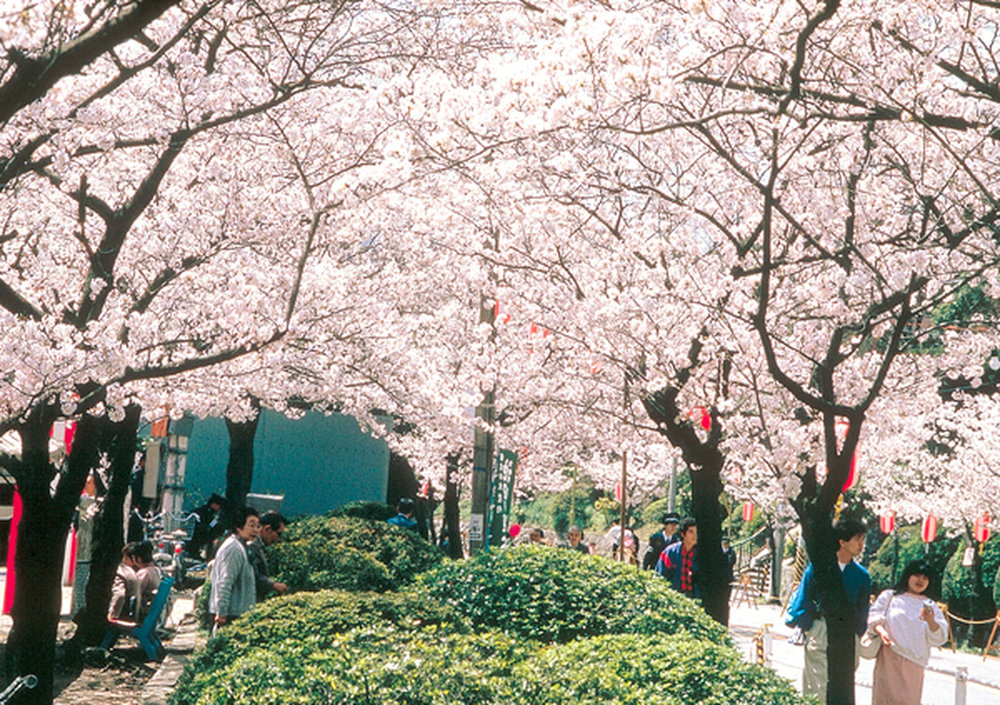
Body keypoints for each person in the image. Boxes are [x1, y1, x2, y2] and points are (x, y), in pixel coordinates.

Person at [784, 518, 871, 704]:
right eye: (857, 539)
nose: (861, 544)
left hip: (848, 633)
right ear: (842, 541)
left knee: (844, 682)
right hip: (821, 628)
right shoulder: (818, 569)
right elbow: (804, 597)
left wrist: (857, 632)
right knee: (817, 682)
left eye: (862, 539)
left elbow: (863, 608)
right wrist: (809, 627)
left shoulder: (862, 575)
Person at [867, 559, 948, 705]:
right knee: (884, 700)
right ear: (908, 575)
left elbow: (940, 637)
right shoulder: (890, 596)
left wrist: (930, 620)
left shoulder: (930, 605)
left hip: (915, 662)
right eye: (917, 575)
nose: (920, 580)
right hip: (889, 657)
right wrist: (881, 631)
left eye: (925, 577)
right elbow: (873, 617)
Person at [210, 506, 260, 629]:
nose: (256, 530)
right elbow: (225, 582)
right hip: (229, 614)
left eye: (258, 526)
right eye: (251, 525)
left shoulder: (242, 546)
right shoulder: (234, 549)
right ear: (239, 527)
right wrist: (221, 612)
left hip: (237, 612)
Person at [248, 510, 288, 601]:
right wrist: (273, 585)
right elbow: (252, 576)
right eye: (278, 534)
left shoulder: (258, 546)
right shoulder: (252, 546)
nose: (278, 539)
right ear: (267, 529)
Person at [655, 517, 699, 597]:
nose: (695, 535)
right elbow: (659, 578)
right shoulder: (670, 552)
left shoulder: (699, 555)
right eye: (691, 532)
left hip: (694, 599)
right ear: (683, 534)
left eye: (696, 532)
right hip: (673, 598)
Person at [108, 543, 141, 621]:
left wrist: (112, 615)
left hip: (124, 617)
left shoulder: (121, 572)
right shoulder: (132, 572)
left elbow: (119, 595)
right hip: (133, 615)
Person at [188, 493, 225, 559]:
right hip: (198, 534)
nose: (219, 508)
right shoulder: (207, 512)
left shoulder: (206, 511)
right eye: (218, 505)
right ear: (213, 504)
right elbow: (210, 525)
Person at [131, 540, 162, 621]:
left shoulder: (144, 573)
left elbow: (134, 591)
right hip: (150, 611)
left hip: (141, 614)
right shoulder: (155, 570)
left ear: (139, 559)